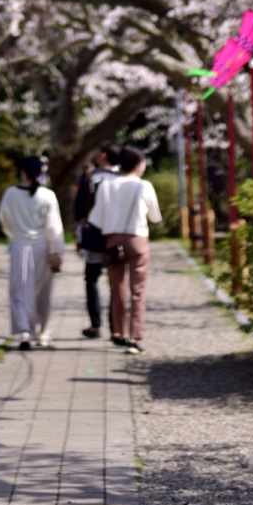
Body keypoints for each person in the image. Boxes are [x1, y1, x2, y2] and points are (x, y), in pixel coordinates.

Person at [88, 144, 162, 354]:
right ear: (139, 165)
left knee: (116, 288)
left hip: (112, 241)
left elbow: (97, 218)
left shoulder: (107, 185)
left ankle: (118, 332)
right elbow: (155, 217)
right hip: (137, 239)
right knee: (137, 290)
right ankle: (135, 336)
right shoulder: (143, 186)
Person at [0, 155, 65, 350]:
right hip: (43, 247)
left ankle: (24, 331)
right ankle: (43, 331)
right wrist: (57, 252)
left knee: (20, 290)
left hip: (19, 246)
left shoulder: (10, 193)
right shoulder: (48, 195)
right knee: (43, 291)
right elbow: (54, 227)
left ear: (22, 172)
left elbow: (4, 219)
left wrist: (15, 234)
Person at [73, 143, 118, 338]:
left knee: (91, 279)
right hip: (115, 233)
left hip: (93, 233)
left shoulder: (90, 176)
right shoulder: (121, 177)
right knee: (116, 282)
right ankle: (116, 326)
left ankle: (96, 324)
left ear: (103, 155)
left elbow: (80, 206)